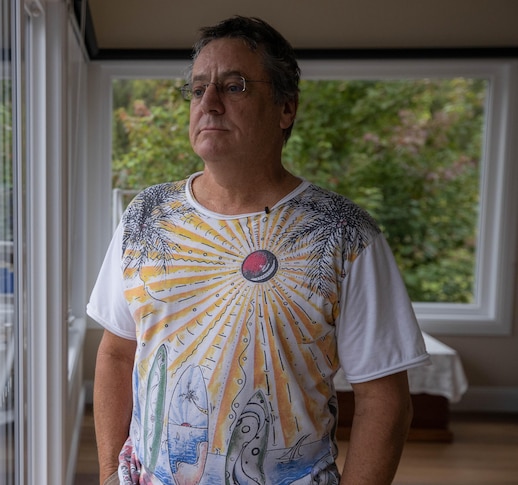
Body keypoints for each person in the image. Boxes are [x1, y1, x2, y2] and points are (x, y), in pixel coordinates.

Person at [87, 15, 430, 485]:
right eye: (197, 87)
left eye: (235, 86)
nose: (208, 102)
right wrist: (108, 474)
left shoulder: (344, 234)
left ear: (286, 108)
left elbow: (384, 400)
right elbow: (116, 355)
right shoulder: (146, 215)